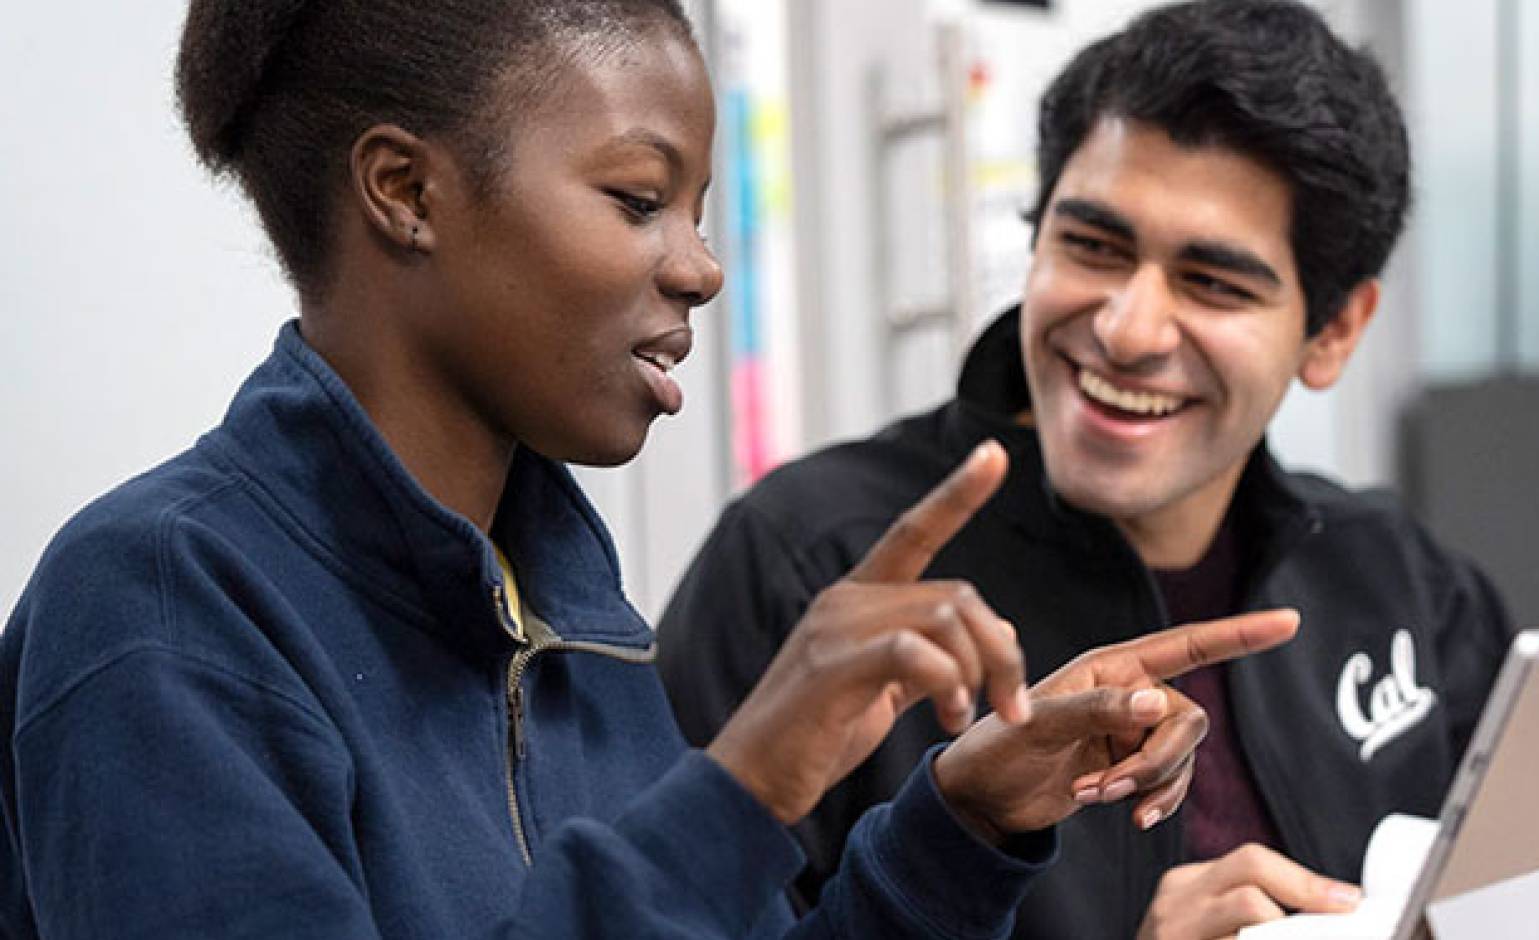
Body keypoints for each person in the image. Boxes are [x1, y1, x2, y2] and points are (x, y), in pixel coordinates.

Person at [0, 2, 1302, 938]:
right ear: (405, 190)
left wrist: (959, 821)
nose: (699, 266)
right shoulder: (160, 615)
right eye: (637, 200)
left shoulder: (577, 610)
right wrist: (740, 789)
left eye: (699, 209)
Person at [657, 1, 1517, 938]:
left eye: (1214, 282)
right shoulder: (810, 565)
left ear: (1333, 331)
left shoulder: (1400, 581)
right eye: (1093, 246)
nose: (1125, 329)